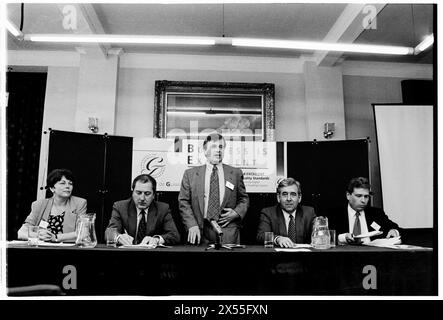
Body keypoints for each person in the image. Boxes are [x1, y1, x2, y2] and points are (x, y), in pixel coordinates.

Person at [178, 133, 249, 245]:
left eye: (221, 147)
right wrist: (191, 224)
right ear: (205, 151)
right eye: (213, 147)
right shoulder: (190, 174)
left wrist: (236, 212)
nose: (218, 150)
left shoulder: (235, 173)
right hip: (199, 230)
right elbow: (183, 202)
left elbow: (244, 199)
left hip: (228, 231)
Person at [107, 174, 180, 246]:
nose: (142, 198)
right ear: (132, 193)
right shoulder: (120, 207)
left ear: (154, 195)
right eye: (138, 193)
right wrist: (119, 237)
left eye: (147, 194)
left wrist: (156, 239)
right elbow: (109, 232)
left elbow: (174, 235)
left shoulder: (163, 209)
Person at [17, 168, 87, 242]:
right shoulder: (39, 205)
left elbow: (83, 233)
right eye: (62, 183)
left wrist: (55, 237)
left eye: (70, 183)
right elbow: (21, 233)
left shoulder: (79, 203)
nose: (67, 186)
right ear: (52, 188)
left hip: (67, 249)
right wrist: (39, 236)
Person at [328, 177, 402, 245]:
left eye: (366, 196)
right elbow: (322, 237)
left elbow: (397, 228)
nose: (363, 201)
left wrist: (394, 231)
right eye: (359, 196)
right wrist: (343, 238)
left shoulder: (376, 213)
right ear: (348, 195)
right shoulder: (334, 214)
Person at [257, 178, 316, 247]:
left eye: (293, 194)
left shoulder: (309, 212)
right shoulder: (268, 213)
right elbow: (261, 235)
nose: (289, 199)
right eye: (285, 194)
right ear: (278, 198)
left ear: (299, 198)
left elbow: (317, 233)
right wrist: (278, 239)